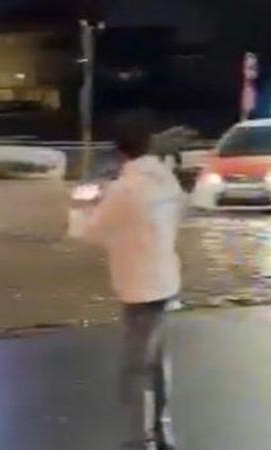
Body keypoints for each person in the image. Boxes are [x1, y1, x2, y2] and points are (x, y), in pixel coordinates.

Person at [69, 111, 184, 449]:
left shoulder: (124, 189)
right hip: (166, 282)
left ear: (119, 151)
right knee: (157, 362)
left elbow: (90, 232)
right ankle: (162, 432)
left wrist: (80, 204)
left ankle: (141, 439)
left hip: (139, 289)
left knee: (136, 368)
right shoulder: (166, 180)